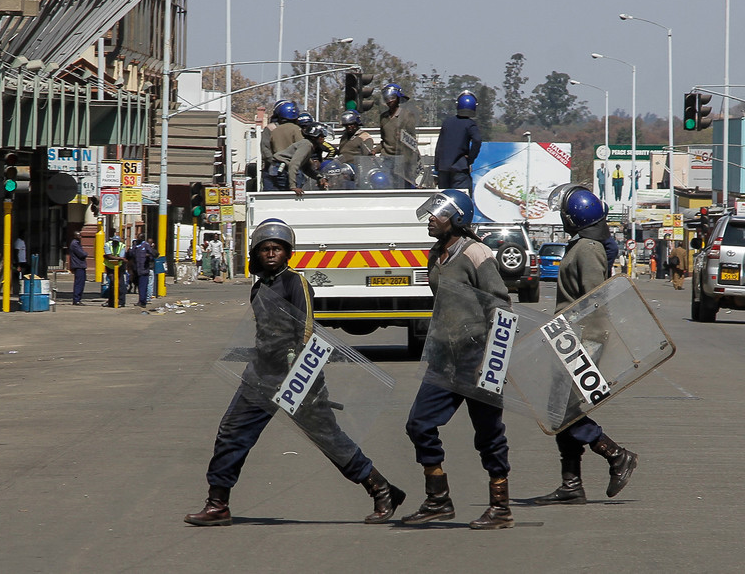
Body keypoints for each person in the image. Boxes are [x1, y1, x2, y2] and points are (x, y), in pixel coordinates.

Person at [183, 219, 405, 527]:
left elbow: (307, 329)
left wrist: (301, 373)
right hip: (260, 376)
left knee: (328, 438)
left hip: (298, 376)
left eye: (276, 248)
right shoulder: (259, 288)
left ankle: (381, 489)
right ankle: (217, 504)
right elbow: (262, 333)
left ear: (287, 253)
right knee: (230, 434)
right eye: (265, 249)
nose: (271, 253)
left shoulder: (295, 282)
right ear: (256, 254)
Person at [403, 189, 515, 529]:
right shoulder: (435, 254)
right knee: (419, 424)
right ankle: (438, 499)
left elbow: (500, 305)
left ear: (459, 219)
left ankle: (500, 507)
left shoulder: (477, 252)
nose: (431, 220)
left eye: (439, 215)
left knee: (488, 434)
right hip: (445, 359)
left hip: (477, 357)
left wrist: (493, 360)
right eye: (431, 214)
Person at [530, 188, 638, 505]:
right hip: (569, 335)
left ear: (572, 218)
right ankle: (571, 484)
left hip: (582, 339)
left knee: (565, 412)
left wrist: (590, 346)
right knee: (562, 410)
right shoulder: (581, 244)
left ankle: (615, 454)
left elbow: (595, 300)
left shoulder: (588, 249)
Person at [434, 91, 483, 192]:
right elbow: (477, 140)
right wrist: (470, 159)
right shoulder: (470, 124)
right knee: (461, 198)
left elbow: (439, 147)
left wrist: (437, 168)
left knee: (445, 198)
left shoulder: (447, 122)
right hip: (459, 169)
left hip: (443, 169)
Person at [270, 123, 332, 195]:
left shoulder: (308, 145)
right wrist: (293, 186)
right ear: (314, 137)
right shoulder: (307, 145)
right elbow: (294, 164)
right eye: (322, 136)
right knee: (286, 196)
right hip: (281, 169)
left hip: (279, 167)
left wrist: (319, 177)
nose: (323, 139)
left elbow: (306, 168)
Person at [262, 101, 305, 191]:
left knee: (273, 199)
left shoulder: (271, 128)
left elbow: (265, 149)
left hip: (275, 168)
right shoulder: (296, 129)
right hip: (287, 168)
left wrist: (275, 161)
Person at [103, 233, 128, 307]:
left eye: (116, 242)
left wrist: (118, 258)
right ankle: (111, 301)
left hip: (119, 267)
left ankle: (121, 301)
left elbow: (121, 256)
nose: (115, 243)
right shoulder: (107, 245)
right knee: (113, 283)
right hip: (110, 267)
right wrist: (119, 258)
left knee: (120, 284)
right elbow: (108, 255)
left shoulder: (122, 246)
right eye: (114, 242)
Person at [130, 237, 157, 306]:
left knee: (144, 286)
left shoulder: (146, 246)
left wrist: (148, 256)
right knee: (139, 286)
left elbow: (154, 255)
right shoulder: (135, 247)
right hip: (136, 270)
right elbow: (131, 255)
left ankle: (143, 301)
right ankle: (141, 300)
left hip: (144, 270)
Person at [69, 229, 88, 305]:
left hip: (80, 265)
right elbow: (82, 254)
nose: (80, 237)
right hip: (78, 265)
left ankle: (78, 299)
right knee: (79, 283)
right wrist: (85, 253)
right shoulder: (75, 244)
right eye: (79, 235)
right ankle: (76, 299)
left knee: (81, 283)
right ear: (75, 236)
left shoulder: (77, 243)